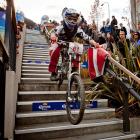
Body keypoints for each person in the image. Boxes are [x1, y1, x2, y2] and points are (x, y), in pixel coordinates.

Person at [49, 7, 98, 81]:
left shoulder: (77, 29)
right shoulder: (61, 27)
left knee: (77, 49)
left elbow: (86, 37)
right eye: (70, 18)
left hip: (70, 44)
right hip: (59, 42)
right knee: (55, 51)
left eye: (74, 19)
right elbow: (53, 32)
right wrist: (53, 36)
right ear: (65, 18)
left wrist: (94, 43)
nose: (72, 21)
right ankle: (53, 72)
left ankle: (74, 69)